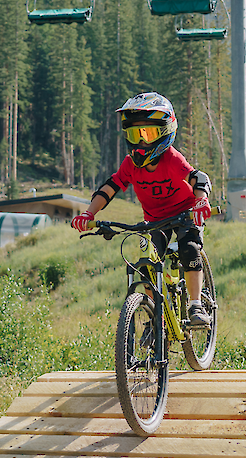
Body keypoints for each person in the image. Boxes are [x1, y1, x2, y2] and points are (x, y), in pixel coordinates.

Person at [72, 92, 214, 327]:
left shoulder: (171, 159)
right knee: (147, 266)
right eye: (135, 134)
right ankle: (154, 316)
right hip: (155, 220)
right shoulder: (130, 165)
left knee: (189, 249)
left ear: (166, 131)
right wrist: (89, 213)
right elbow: (111, 187)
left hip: (184, 214)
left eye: (148, 134)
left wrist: (201, 201)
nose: (141, 142)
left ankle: (195, 304)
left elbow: (198, 177)